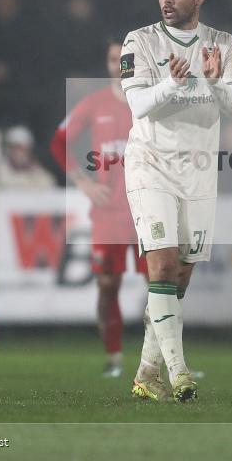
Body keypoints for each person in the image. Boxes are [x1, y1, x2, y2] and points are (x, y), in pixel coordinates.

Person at [120, 0, 232, 402]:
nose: (166, 0)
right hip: (149, 164)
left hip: (198, 170)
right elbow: (138, 106)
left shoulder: (223, 44)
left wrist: (211, 82)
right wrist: (174, 85)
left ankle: (147, 372)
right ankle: (180, 374)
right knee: (162, 266)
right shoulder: (140, 41)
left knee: (181, 278)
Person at [50, 39, 149, 378]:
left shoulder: (151, 103)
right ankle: (114, 358)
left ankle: (166, 359)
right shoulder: (94, 104)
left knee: (163, 288)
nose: (117, 65)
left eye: (124, 59)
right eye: (112, 58)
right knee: (108, 285)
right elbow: (58, 141)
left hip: (147, 212)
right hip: (108, 217)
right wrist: (83, 182)